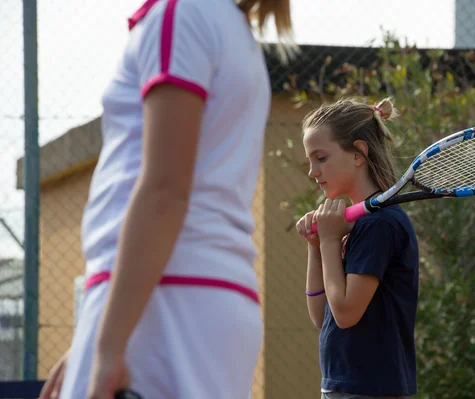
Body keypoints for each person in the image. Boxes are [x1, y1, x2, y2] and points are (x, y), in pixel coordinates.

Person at [40, 0, 293, 398]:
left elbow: (165, 190)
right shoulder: (227, 25)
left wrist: (109, 346)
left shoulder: (181, 14)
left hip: (164, 303)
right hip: (189, 301)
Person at [296, 98, 420, 399]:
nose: (313, 171)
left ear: (358, 153)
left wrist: (328, 241)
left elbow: (346, 313)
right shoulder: (357, 225)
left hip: (371, 390)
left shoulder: (380, 225)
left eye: (321, 157)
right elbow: (322, 315)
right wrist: (316, 247)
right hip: (343, 386)